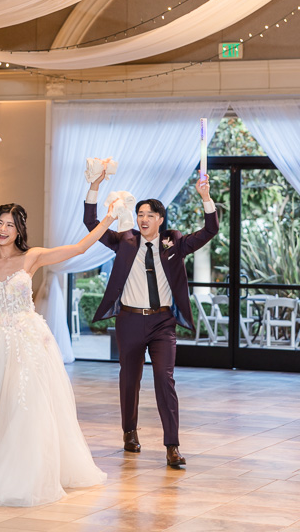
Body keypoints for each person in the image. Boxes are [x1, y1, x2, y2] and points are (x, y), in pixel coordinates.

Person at [0, 178, 117, 506]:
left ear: (19, 230)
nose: (4, 229)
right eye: (0, 223)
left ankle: (27, 472)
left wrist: (107, 219)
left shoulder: (31, 257)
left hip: (28, 340)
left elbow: (77, 249)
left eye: (11, 224)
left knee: (24, 404)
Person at [84, 171, 218, 468]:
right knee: (129, 380)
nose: (143, 219)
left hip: (162, 324)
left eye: (149, 214)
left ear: (160, 219)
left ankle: (172, 446)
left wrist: (206, 198)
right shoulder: (124, 240)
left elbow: (210, 231)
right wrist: (94, 187)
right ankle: (129, 432)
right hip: (129, 321)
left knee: (164, 380)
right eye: (139, 214)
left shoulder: (176, 242)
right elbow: (91, 224)